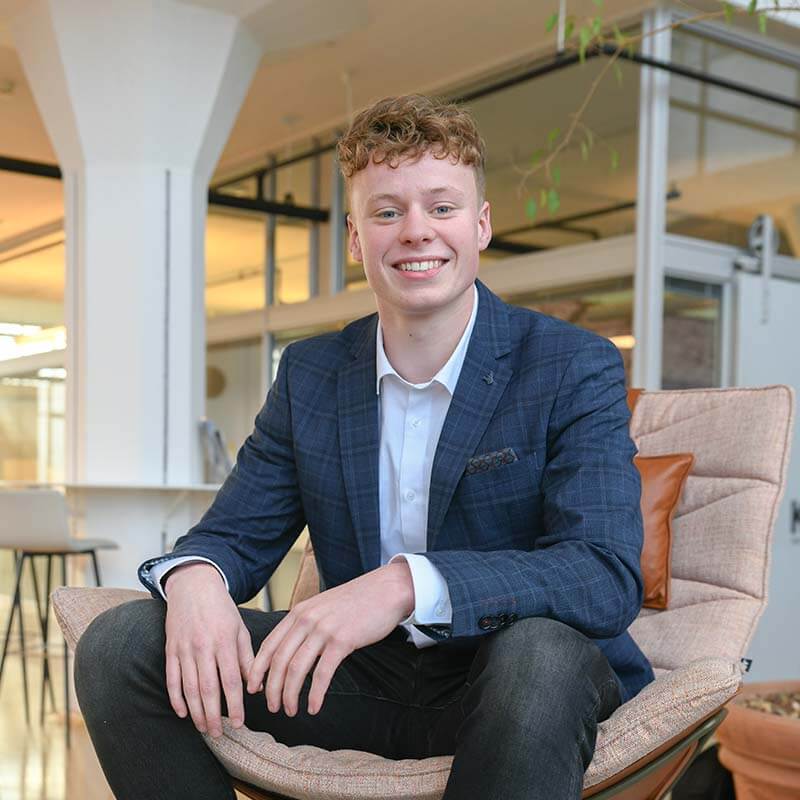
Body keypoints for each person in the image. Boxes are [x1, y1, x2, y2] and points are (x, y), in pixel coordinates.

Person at [74, 94, 654, 800]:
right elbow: (234, 535)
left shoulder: (569, 364)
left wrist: (403, 585)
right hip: (357, 678)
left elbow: (602, 572)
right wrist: (196, 580)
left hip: (513, 680)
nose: (416, 231)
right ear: (355, 238)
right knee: (120, 646)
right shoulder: (311, 373)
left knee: (540, 655)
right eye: (386, 212)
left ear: (480, 224)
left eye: (441, 207)